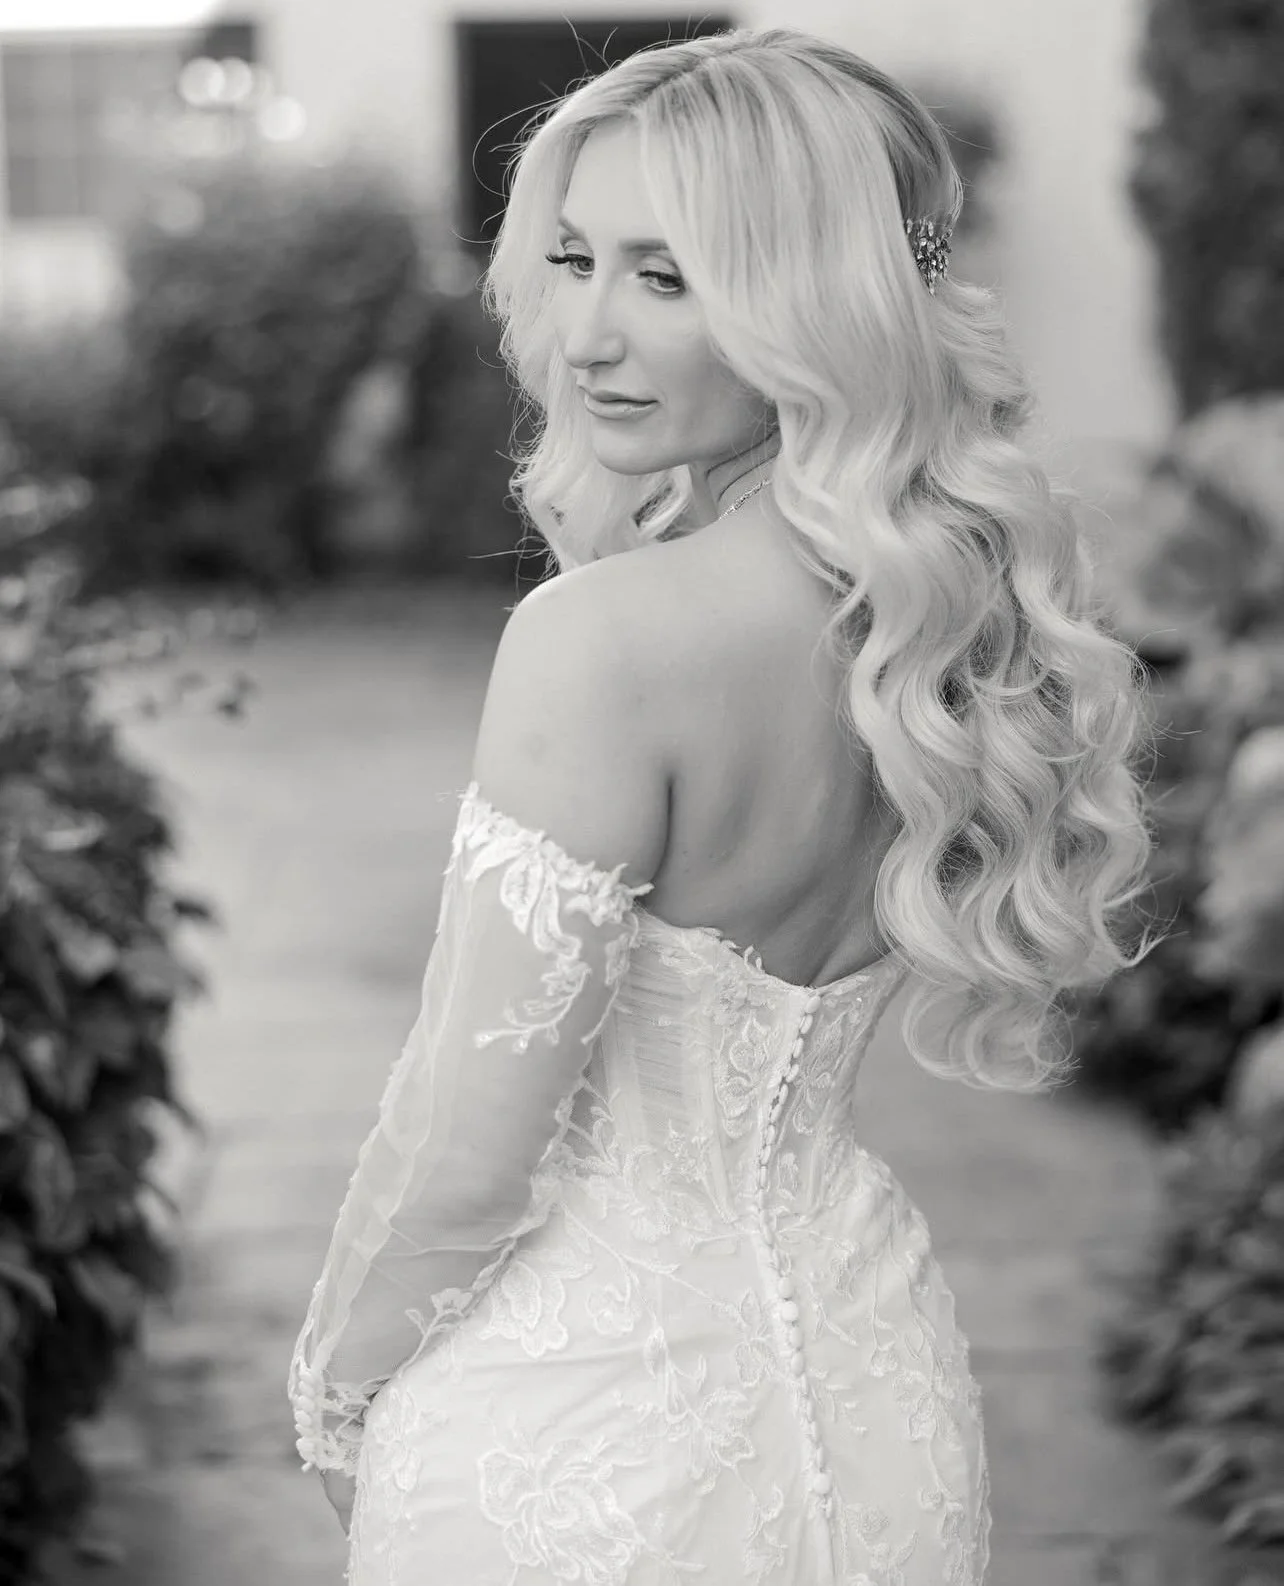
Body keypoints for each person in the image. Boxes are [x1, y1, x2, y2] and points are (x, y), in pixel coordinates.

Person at [287, 26, 1159, 1584]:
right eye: (574, 259)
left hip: (578, 1440)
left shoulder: (600, 642)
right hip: (878, 1394)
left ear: (809, 303)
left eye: (669, 276)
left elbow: (472, 1152)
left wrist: (339, 1393)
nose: (588, 333)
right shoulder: (942, 625)